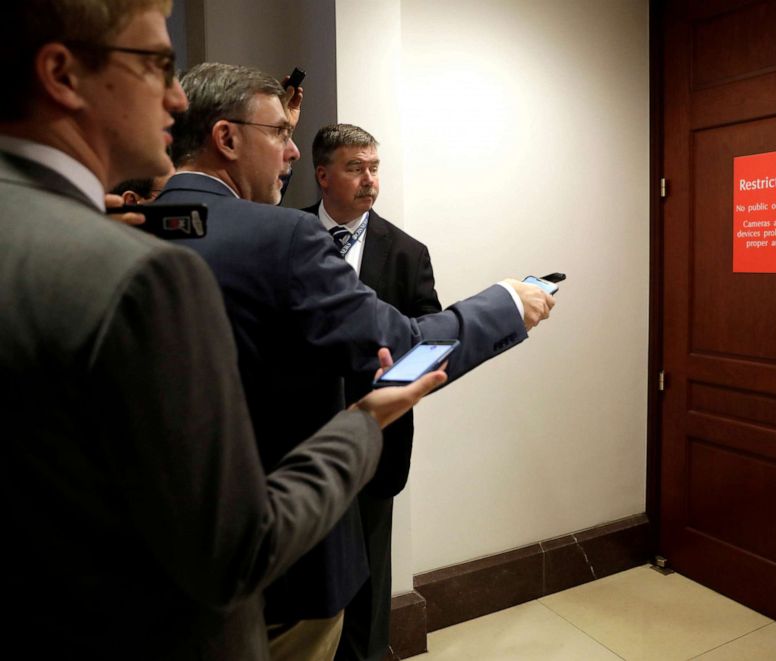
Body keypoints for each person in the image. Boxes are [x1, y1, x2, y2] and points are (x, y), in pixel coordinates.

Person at [0, 1, 444, 658]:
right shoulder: (151, 268)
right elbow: (237, 548)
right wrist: (366, 419)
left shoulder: (68, 223)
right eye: (157, 62)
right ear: (62, 73)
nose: (175, 97)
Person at [159, 62, 555, 659]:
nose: (290, 151)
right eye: (279, 136)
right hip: (289, 541)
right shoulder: (285, 238)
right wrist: (505, 306)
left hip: (168, 551)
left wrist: (270, 130)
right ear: (226, 138)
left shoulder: (135, 219)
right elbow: (403, 343)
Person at [302, 124, 442, 661]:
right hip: (298, 436)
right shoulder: (284, 237)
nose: (369, 180)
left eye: (374, 167)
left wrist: (392, 386)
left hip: (376, 441)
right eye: (355, 168)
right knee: (304, 572)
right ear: (322, 175)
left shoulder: (407, 253)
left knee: (368, 574)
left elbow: (433, 341)